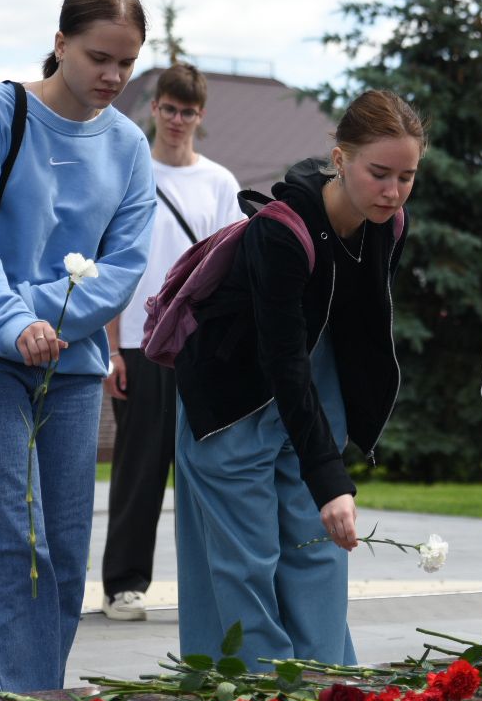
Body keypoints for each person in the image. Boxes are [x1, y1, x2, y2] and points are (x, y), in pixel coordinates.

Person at [0, 0, 155, 696]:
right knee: (5, 546)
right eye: (97, 57)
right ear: (60, 44)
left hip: (73, 369)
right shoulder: (0, 110)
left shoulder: (129, 146)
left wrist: (39, 318)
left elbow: (122, 267)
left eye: (127, 62)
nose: (113, 76)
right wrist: (11, 324)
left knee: (63, 556)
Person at [173, 89, 423, 668]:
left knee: (318, 549)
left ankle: (326, 684)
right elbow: (282, 358)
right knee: (245, 560)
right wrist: (328, 475)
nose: (392, 191)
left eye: (406, 177)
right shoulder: (280, 233)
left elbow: (359, 329)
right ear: (340, 159)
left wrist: (333, 456)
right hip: (234, 397)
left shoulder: (390, 224)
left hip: (313, 390)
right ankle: (253, 693)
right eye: (379, 173)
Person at [101, 63, 241, 622]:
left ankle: (207, 580)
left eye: (188, 111)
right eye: (169, 108)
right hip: (136, 341)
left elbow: (231, 269)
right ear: (153, 109)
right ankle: (123, 584)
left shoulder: (219, 182)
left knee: (207, 468)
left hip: (198, 346)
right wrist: (110, 349)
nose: (178, 119)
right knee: (139, 467)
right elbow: (109, 267)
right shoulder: (130, 176)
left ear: (199, 117)